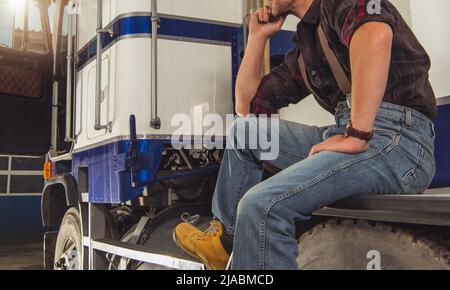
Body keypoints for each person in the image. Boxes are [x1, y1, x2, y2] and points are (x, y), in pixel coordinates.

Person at [174, 0, 437, 270]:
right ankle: (227, 243)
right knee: (245, 132)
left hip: (398, 141)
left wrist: (357, 133)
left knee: (261, 206)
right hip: (350, 130)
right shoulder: (308, 45)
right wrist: (257, 38)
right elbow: (247, 107)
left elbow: (375, 34)